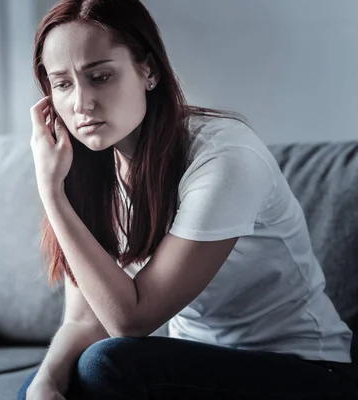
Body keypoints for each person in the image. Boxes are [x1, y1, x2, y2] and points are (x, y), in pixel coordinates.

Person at [19, 0, 357, 399]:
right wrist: (45, 382)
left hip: (307, 371)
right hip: (193, 364)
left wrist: (51, 192)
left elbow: (132, 320)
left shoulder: (225, 157)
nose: (81, 103)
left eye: (101, 76)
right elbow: (83, 319)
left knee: (105, 365)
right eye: (62, 84)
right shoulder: (90, 169)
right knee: (45, 383)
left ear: (149, 70)